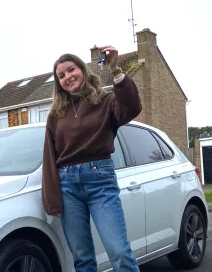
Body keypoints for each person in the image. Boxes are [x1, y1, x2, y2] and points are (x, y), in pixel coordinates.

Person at [41, 46, 142, 272]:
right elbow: (50, 155)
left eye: (71, 70)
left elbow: (131, 108)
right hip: (68, 186)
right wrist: (52, 198)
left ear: (82, 70)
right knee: (82, 258)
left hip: (100, 181)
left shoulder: (105, 102)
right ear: (59, 83)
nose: (68, 77)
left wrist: (115, 69)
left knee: (119, 251)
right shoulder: (56, 114)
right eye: (61, 75)